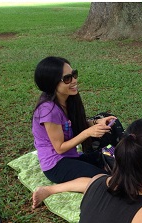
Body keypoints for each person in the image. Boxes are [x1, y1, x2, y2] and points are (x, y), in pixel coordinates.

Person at [31, 56, 116, 209]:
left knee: (110, 156)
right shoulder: (48, 110)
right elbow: (60, 147)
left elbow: (74, 126)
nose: (74, 81)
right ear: (52, 82)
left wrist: (97, 122)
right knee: (104, 181)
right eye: (67, 78)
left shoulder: (67, 99)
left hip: (72, 157)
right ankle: (49, 190)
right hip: (55, 165)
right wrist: (89, 132)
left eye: (74, 74)